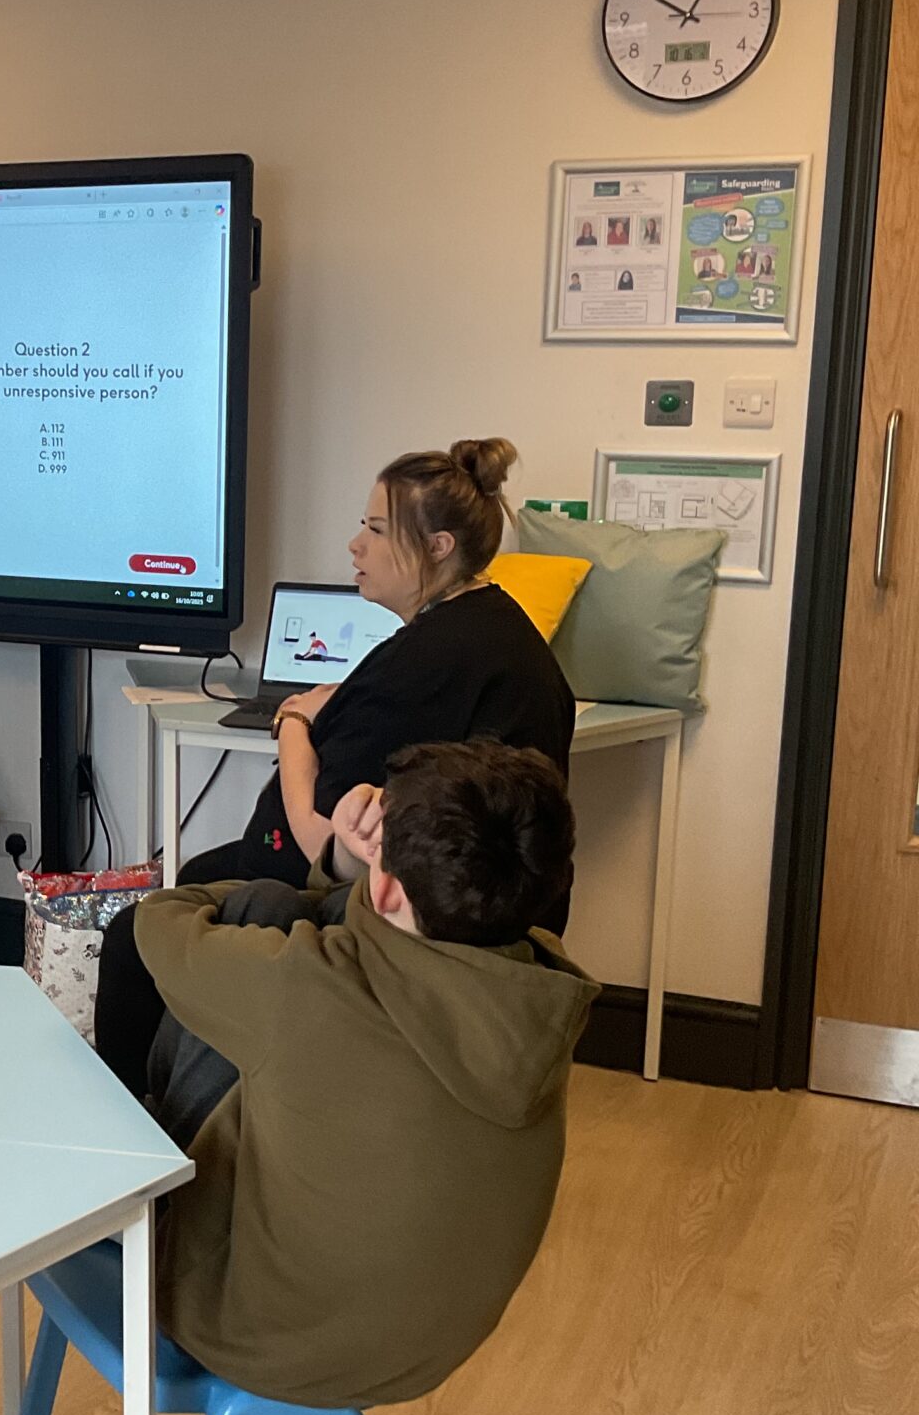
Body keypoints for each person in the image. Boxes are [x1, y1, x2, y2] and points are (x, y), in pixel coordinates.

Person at [95, 439, 575, 1095]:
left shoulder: (424, 662)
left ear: (437, 547)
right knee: (207, 875)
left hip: (400, 910)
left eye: (376, 530)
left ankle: (134, 1133)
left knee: (137, 935)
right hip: (489, 904)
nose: (356, 546)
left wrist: (294, 722)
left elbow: (315, 836)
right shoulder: (494, 629)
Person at [130, 741, 599, 1407]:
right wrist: (363, 865)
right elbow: (386, 942)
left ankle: (120, 1203)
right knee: (283, 980)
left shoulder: (306, 988)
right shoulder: (540, 988)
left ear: (383, 888)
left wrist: (337, 867)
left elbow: (160, 920)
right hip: (421, 1352)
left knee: (257, 909)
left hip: (258, 1343)